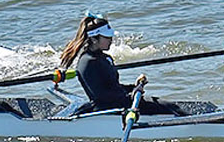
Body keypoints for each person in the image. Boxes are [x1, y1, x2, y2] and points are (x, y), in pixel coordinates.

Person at [55, 14, 189, 116]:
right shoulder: (87, 63)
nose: (111, 40)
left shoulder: (104, 57)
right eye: (107, 37)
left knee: (169, 105)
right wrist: (132, 95)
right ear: (94, 39)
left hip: (120, 102)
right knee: (170, 108)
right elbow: (102, 96)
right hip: (108, 109)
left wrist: (133, 87)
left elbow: (114, 87)